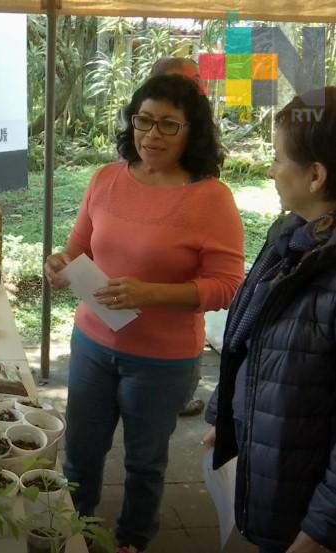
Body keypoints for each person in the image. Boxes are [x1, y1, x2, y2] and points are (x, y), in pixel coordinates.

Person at [44, 74, 245, 553]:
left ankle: (132, 540)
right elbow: (78, 247)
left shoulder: (211, 198)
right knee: (80, 455)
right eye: (144, 120)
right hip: (92, 342)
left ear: (192, 132)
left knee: (145, 462)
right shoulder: (106, 178)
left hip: (162, 360)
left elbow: (228, 287)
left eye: (168, 126)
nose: (151, 135)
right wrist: (59, 263)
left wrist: (149, 293)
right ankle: (77, 532)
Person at [203, 88, 336, 553]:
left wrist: (321, 531)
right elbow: (249, 333)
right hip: (271, 472)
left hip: (304, 513)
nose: (270, 169)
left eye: (278, 158)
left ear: (315, 175)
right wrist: (229, 414)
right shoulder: (292, 235)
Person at [149, 57, 209, 417]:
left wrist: (153, 292)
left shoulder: (208, 191)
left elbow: (224, 283)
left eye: (196, 81)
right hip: (108, 336)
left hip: (173, 342)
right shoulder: (114, 176)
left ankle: (181, 393)